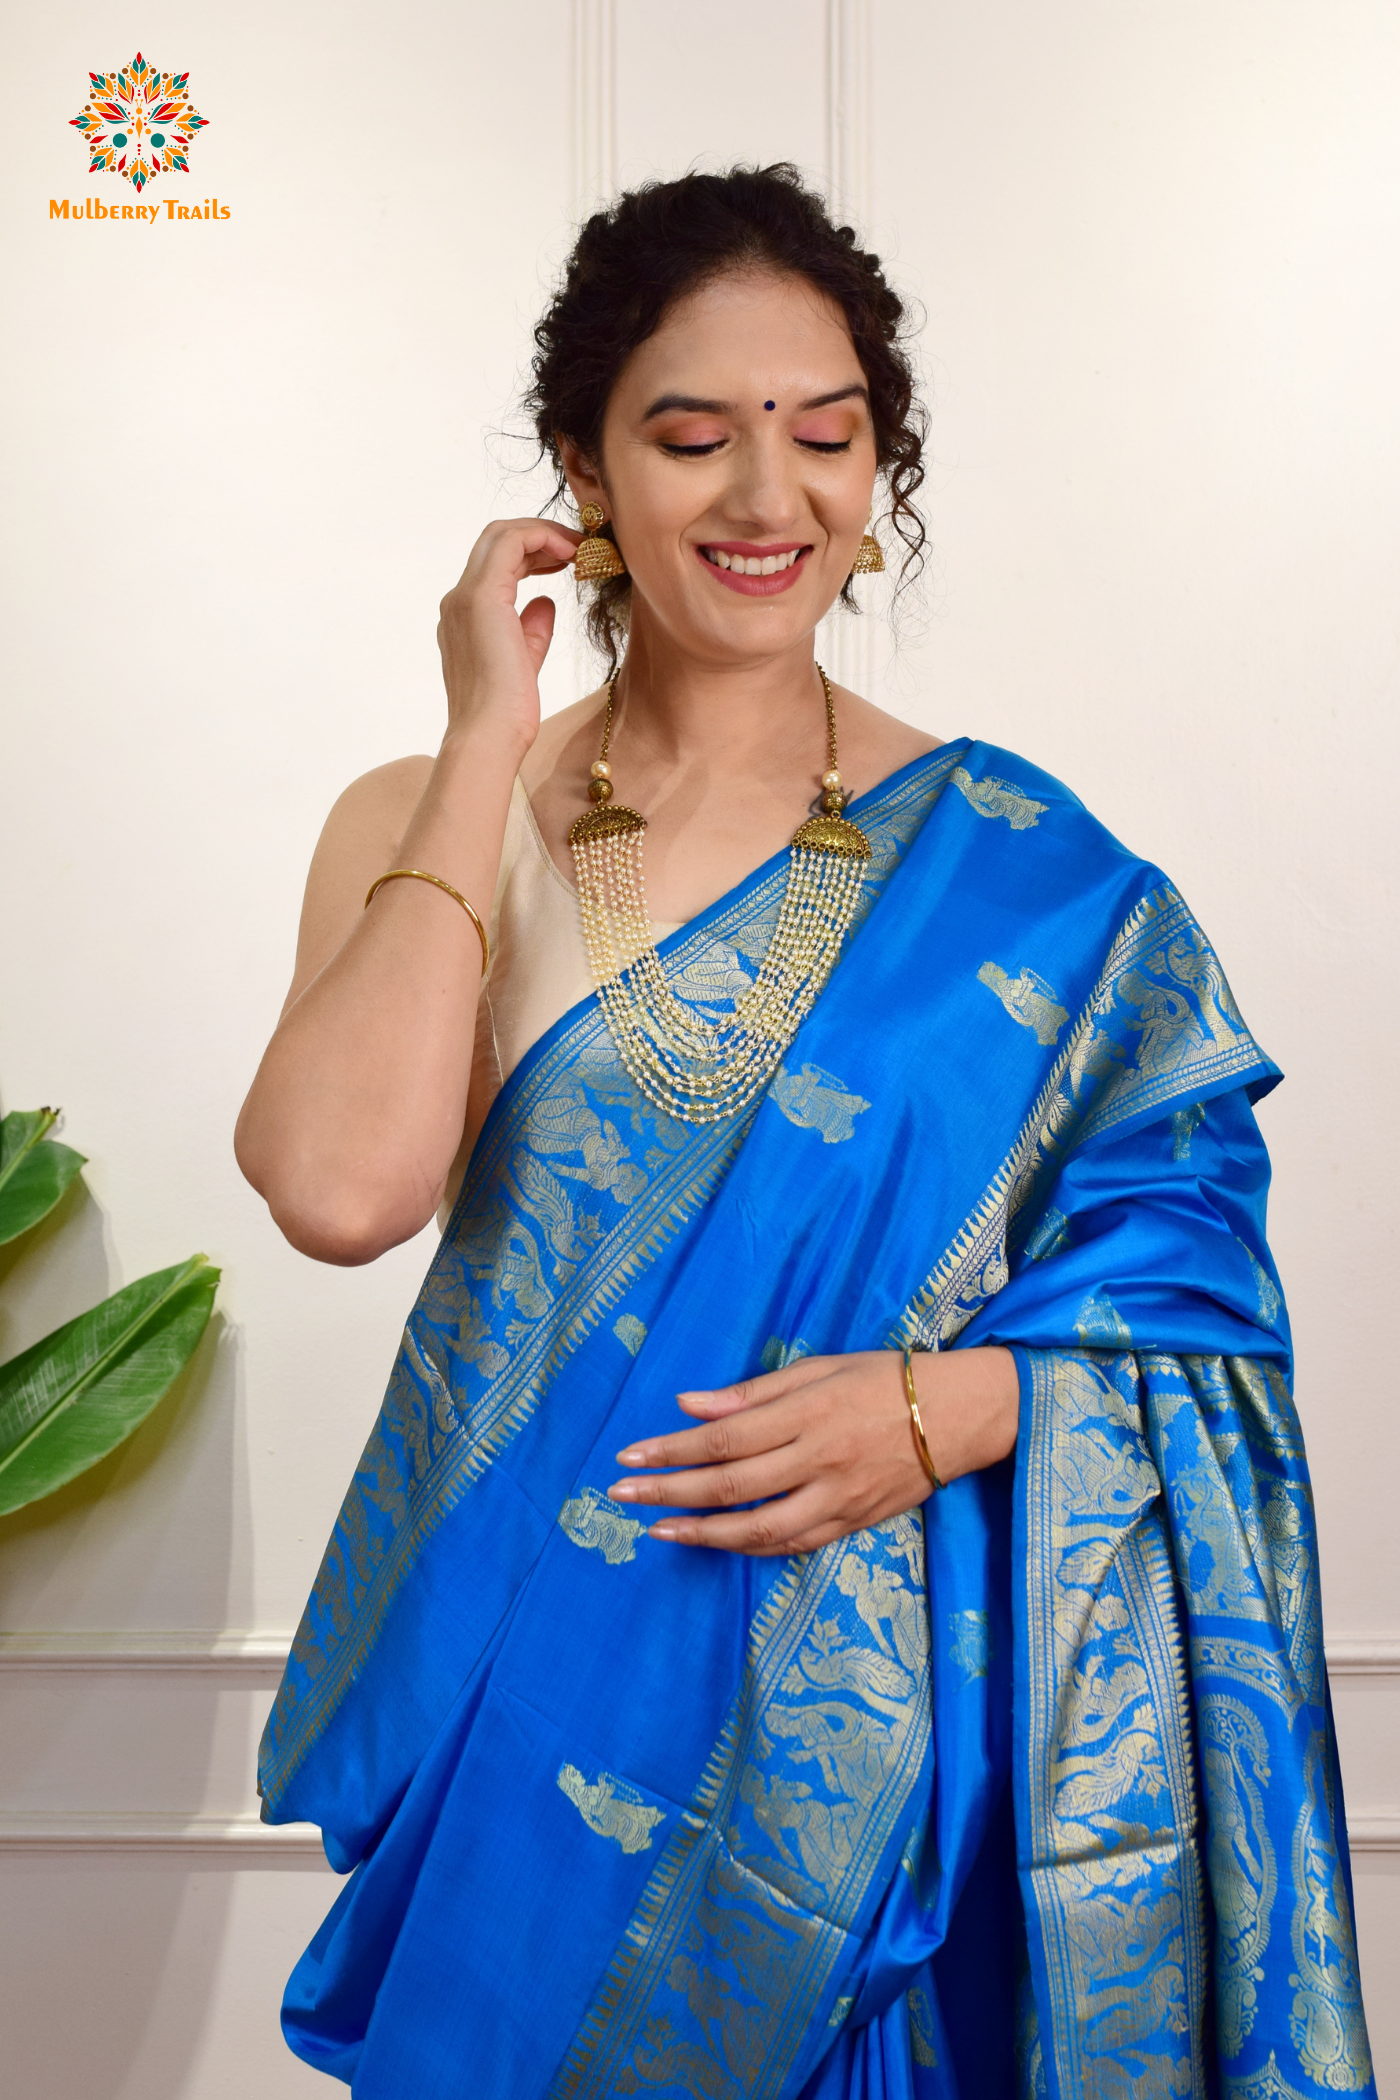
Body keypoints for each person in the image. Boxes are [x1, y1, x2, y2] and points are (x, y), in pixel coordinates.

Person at [237, 166, 1374, 2099]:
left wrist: (942, 1413)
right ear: (582, 471)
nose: (768, 502)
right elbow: (344, 1192)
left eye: (825, 438)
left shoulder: (1036, 883)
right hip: (520, 1760)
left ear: (878, 474)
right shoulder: (430, 816)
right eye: (692, 438)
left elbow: (1198, 1290)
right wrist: (482, 747)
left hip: (862, 1793)